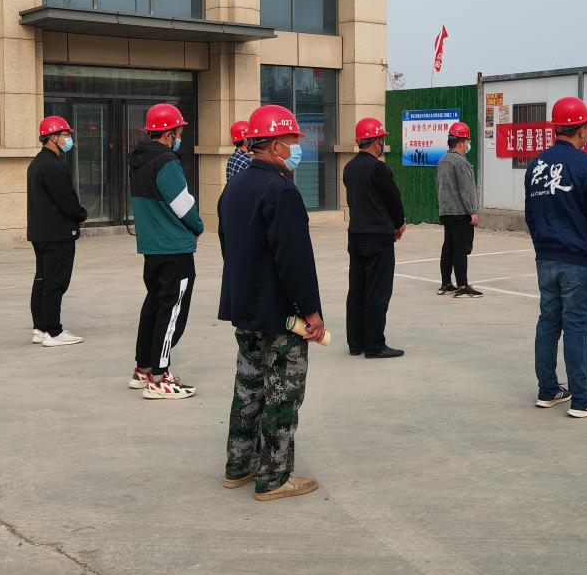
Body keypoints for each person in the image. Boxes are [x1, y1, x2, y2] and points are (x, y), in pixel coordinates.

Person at [218, 104, 324, 501]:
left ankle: (239, 465)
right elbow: (293, 259)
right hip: (280, 313)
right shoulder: (281, 190)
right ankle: (275, 477)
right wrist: (310, 310)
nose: (297, 148)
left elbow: (229, 246)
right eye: (293, 141)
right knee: (283, 392)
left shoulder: (234, 187)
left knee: (248, 387)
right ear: (277, 145)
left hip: (246, 306)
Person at [526, 97, 587, 418]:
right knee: (577, 328)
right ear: (583, 129)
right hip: (579, 261)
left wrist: (543, 249)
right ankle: (582, 398)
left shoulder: (536, 166)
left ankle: (548, 389)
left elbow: (531, 215)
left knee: (548, 323)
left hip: (546, 259)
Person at [128, 102, 204, 398]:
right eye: (179, 132)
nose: (180, 137)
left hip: (152, 247)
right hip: (174, 246)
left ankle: (144, 368)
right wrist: (198, 226)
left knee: (154, 306)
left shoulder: (140, 160)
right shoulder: (166, 161)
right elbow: (183, 205)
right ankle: (160, 378)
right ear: (169, 133)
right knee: (172, 313)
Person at [342, 117, 406, 359]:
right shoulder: (379, 169)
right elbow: (394, 201)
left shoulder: (349, 168)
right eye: (382, 140)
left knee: (357, 291)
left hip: (356, 236)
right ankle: (375, 345)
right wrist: (398, 224)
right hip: (378, 237)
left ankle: (355, 343)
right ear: (377, 141)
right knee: (378, 292)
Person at [26, 115, 87, 348]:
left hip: (41, 233)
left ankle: (40, 328)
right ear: (52, 137)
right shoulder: (53, 165)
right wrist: (80, 215)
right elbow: (67, 200)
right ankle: (54, 331)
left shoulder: (37, 163)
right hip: (57, 234)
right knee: (55, 282)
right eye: (65, 134)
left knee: (42, 279)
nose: (68, 139)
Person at [436, 121, 482, 298]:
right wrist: (473, 211)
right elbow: (466, 189)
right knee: (461, 249)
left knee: (448, 247)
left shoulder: (442, 161)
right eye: (467, 141)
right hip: (460, 212)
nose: (468, 145)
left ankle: (446, 283)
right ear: (461, 143)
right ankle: (463, 286)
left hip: (446, 212)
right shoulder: (461, 162)